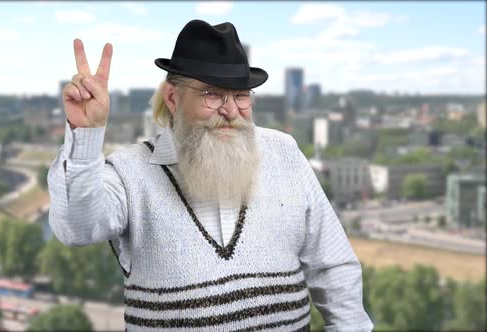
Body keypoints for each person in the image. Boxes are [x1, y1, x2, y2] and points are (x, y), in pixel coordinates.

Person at [48, 19, 373, 332]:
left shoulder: (284, 152)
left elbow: (332, 266)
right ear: (173, 97)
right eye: (213, 94)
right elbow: (76, 229)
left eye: (241, 95)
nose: (231, 111)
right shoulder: (128, 172)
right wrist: (86, 133)